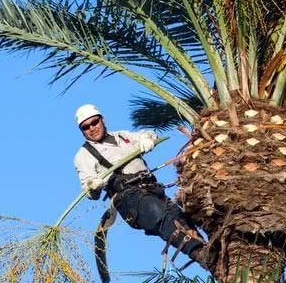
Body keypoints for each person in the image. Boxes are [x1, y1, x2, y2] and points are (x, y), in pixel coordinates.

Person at [73, 104, 206, 268]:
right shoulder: (84, 155)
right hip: (128, 196)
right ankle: (199, 252)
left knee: (180, 218)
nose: (92, 128)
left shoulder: (122, 136)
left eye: (94, 122)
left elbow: (148, 134)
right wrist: (94, 185)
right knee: (160, 217)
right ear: (82, 131)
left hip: (152, 188)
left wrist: (147, 138)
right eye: (86, 127)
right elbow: (89, 192)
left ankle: (210, 254)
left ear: (102, 119)